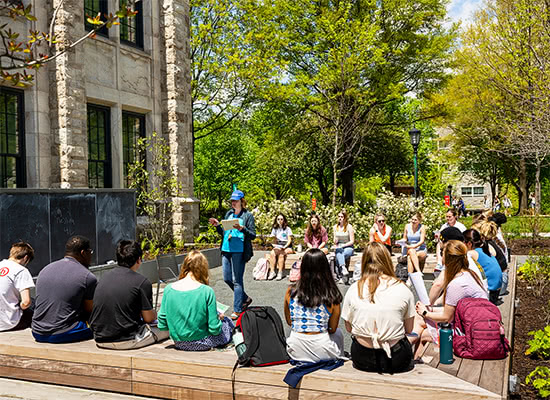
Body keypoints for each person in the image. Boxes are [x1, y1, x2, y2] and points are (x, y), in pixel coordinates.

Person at [342, 242, 415, 373]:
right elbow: (409, 329)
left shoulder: (354, 289)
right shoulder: (402, 288)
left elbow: (349, 328)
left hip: (362, 356)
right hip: (395, 357)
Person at [90, 240, 169, 349]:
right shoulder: (142, 282)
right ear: (139, 260)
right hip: (128, 340)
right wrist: (156, 314)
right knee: (167, 327)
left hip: (100, 338)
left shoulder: (104, 278)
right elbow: (149, 319)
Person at [415, 240, 488, 355]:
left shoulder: (457, 284)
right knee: (419, 319)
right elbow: (453, 310)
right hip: (477, 324)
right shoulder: (468, 274)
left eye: (442, 253)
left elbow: (446, 318)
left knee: (423, 333)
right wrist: (429, 310)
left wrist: (425, 313)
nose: (440, 256)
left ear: (448, 259)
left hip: (470, 334)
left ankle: (414, 361)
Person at [158, 251, 234, 351]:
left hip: (178, 342)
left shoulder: (168, 289)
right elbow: (214, 329)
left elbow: (162, 325)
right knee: (228, 322)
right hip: (202, 341)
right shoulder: (207, 291)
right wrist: (218, 319)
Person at [31, 236, 97, 343]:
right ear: (83, 252)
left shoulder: (45, 269)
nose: (91, 256)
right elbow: (90, 310)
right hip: (63, 332)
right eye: (90, 252)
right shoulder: (87, 277)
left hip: (37, 332)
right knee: (103, 325)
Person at [284, 249, 345, 362]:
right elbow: (332, 329)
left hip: (295, 349)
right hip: (322, 349)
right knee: (338, 333)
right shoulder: (331, 293)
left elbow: (290, 321)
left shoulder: (291, 291)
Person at [209, 190, 255, 319]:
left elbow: (253, 235)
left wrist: (242, 229)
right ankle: (245, 298)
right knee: (227, 278)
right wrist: (218, 225)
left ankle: (237, 309)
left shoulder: (247, 216)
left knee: (237, 280)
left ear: (242, 201)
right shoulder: (229, 213)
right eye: (232, 201)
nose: (233, 203)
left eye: (235, 201)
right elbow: (224, 232)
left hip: (239, 251)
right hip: (226, 248)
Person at [428, 227, 488, 305]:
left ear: (448, 244)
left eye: (441, 241)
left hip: (475, 307)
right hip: (482, 300)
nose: (439, 244)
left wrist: (427, 306)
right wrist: (436, 303)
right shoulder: (464, 255)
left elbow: (438, 285)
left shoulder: (453, 258)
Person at [0, 242, 35, 332]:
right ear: (26, 258)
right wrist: (20, 306)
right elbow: (26, 302)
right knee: (34, 304)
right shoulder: (21, 270)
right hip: (8, 323)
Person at [463, 229, 502, 304]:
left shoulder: (472, 253)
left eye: (463, 243)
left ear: (469, 244)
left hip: (489, 293)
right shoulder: (484, 249)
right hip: (496, 291)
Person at [434, 209, 466, 275]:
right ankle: (439, 263)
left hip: (456, 246)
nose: (448, 218)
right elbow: (440, 238)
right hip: (446, 245)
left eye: (450, 216)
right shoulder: (444, 226)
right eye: (447, 217)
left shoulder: (461, 227)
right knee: (438, 244)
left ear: (455, 217)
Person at [268, 214, 294, 280]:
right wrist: (273, 244)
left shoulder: (287, 229)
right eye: (278, 219)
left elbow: (289, 240)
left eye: (281, 219)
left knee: (281, 254)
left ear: (284, 220)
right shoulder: (275, 229)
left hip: (287, 246)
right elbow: (272, 239)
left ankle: (280, 272)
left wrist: (284, 247)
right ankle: (272, 272)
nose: (280, 221)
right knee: (272, 253)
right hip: (278, 244)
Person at [333, 210, 355, 284]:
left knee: (341, 255)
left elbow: (352, 241)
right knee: (339, 252)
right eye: (339, 216)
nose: (340, 218)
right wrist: (335, 241)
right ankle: (343, 269)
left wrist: (343, 245)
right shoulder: (335, 227)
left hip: (348, 246)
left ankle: (341, 275)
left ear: (345, 218)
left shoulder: (349, 227)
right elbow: (335, 240)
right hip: (339, 246)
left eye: (342, 217)